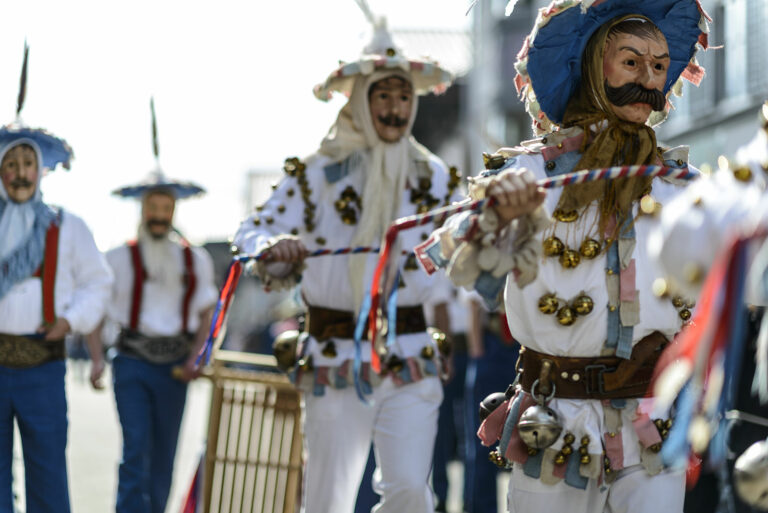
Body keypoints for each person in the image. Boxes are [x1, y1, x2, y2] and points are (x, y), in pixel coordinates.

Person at [416, 1, 711, 511]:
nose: (648, 79)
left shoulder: (684, 187)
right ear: (595, 64)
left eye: (659, 67)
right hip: (554, 420)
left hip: (651, 419)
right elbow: (457, 249)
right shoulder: (531, 173)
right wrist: (498, 215)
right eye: (632, 62)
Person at [233, 18, 460, 513]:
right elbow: (249, 234)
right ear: (360, 98)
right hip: (333, 353)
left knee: (410, 492)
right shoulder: (314, 173)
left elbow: (474, 240)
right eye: (383, 95)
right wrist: (276, 246)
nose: (396, 107)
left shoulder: (438, 178)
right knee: (327, 498)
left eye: (404, 97)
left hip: (409, 354)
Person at [87, 100, 218, 513]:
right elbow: (95, 311)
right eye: (153, 208)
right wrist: (95, 359)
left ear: (174, 209)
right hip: (132, 362)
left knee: (165, 456)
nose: (160, 216)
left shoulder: (193, 259)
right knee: (135, 452)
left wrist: (198, 355)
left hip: (176, 367)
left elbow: (206, 313)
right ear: (142, 209)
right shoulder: (116, 258)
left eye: (166, 208)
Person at [0, 46, 113, 512]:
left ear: (41, 170)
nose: (20, 173)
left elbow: (98, 283)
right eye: (11, 164)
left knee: (48, 471)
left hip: (44, 365)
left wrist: (70, 320)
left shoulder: (68, 225)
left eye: (28, 164)